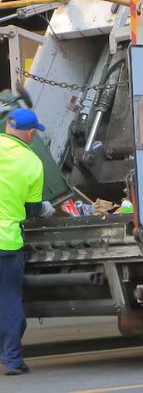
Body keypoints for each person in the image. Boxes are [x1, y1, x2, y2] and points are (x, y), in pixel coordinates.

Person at [0, 108, 54, 376]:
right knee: (9, 302)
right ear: (31, 133)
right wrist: (45, 208)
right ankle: (11, 360)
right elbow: (32, 209)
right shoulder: (32, 162)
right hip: (6, 244)